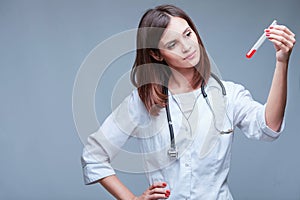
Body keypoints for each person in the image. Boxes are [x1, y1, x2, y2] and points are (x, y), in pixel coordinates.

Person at [81, 4, 296, 199]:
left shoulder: (227, 95)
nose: (187, 47)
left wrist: (282, 61)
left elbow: (269, 127)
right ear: (157, 55)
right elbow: (94, 156)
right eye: (173, 43)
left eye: (188, 34)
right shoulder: (143, 102)